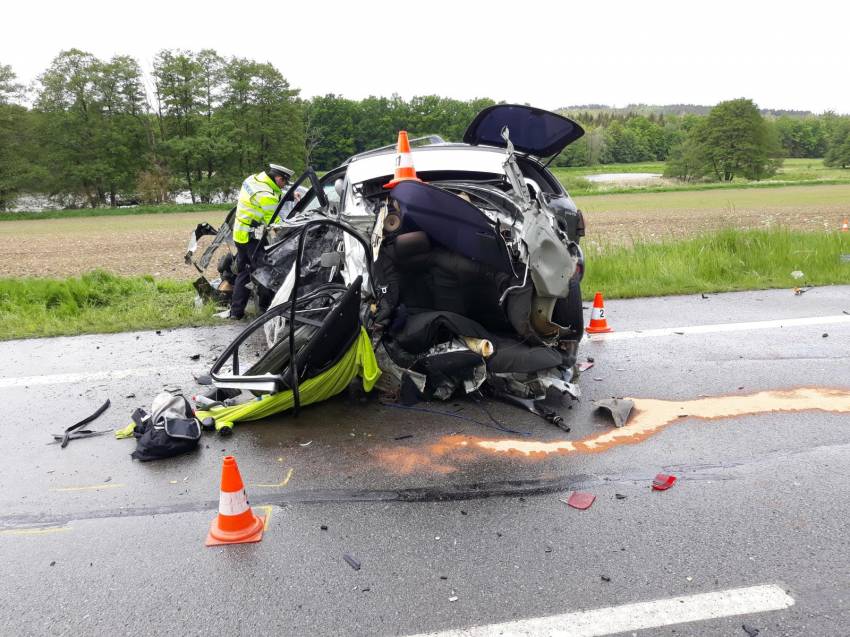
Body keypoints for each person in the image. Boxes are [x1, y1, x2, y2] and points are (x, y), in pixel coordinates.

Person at [229, 163, 294, 319]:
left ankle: (235, 313)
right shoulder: (266, 195)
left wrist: (290, 196)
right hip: (252, 239)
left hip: (240, 235)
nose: (284, 186)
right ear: (278, 178)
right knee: (266, 272)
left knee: (244, 272)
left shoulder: (254, 179)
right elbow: (275, 222)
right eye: (284, 182)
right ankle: (268, 311)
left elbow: (268, 197)